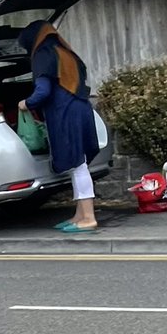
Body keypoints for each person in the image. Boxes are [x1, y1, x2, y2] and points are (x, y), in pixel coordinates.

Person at [17, 20, 101, 233]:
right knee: (77, 165)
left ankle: (88, 217)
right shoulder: (64, 51)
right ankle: (79, 215)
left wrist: (26, 103)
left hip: (66, 113)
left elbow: (43, 91)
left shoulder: (43, 54)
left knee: (77, 165)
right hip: (80, 109)